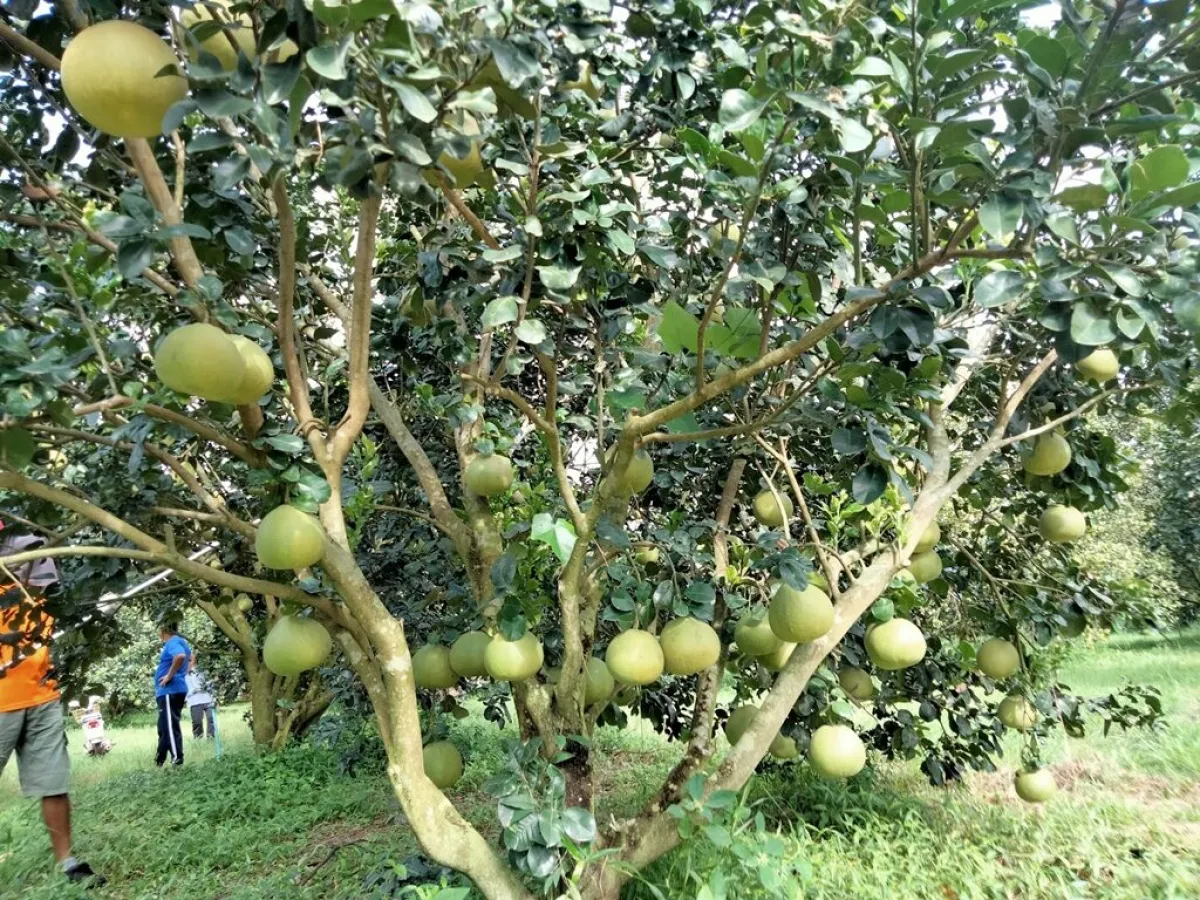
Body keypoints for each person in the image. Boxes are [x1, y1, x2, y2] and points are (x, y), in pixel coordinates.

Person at [0, 520, 105, 886]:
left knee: (53, 783)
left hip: (41, 694)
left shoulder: (40, 580)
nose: (29, 567)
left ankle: (68, 863)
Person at [154, 620, 190, 766]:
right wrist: (181, 674)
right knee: (163, 726)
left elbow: (180, 656)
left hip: (170, 690)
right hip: (170, 690)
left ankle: (177, 759)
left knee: (169, 726)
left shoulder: (173, 642)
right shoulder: (182, 641)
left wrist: (170, 676)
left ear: (164, 630)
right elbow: (191, 658)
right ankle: (159, 759)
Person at [184, 655, 215, 740]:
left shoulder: (202, 671)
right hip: (194, 700)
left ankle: (211, 737)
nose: (189, 661)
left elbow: (209, 683)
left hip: (207, 698)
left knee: (211, 718)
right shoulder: (184, 674)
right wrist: (192, 691)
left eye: (191, 659)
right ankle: (198, 739)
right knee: (197, 721)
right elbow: (184, 689)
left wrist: (209, 688)